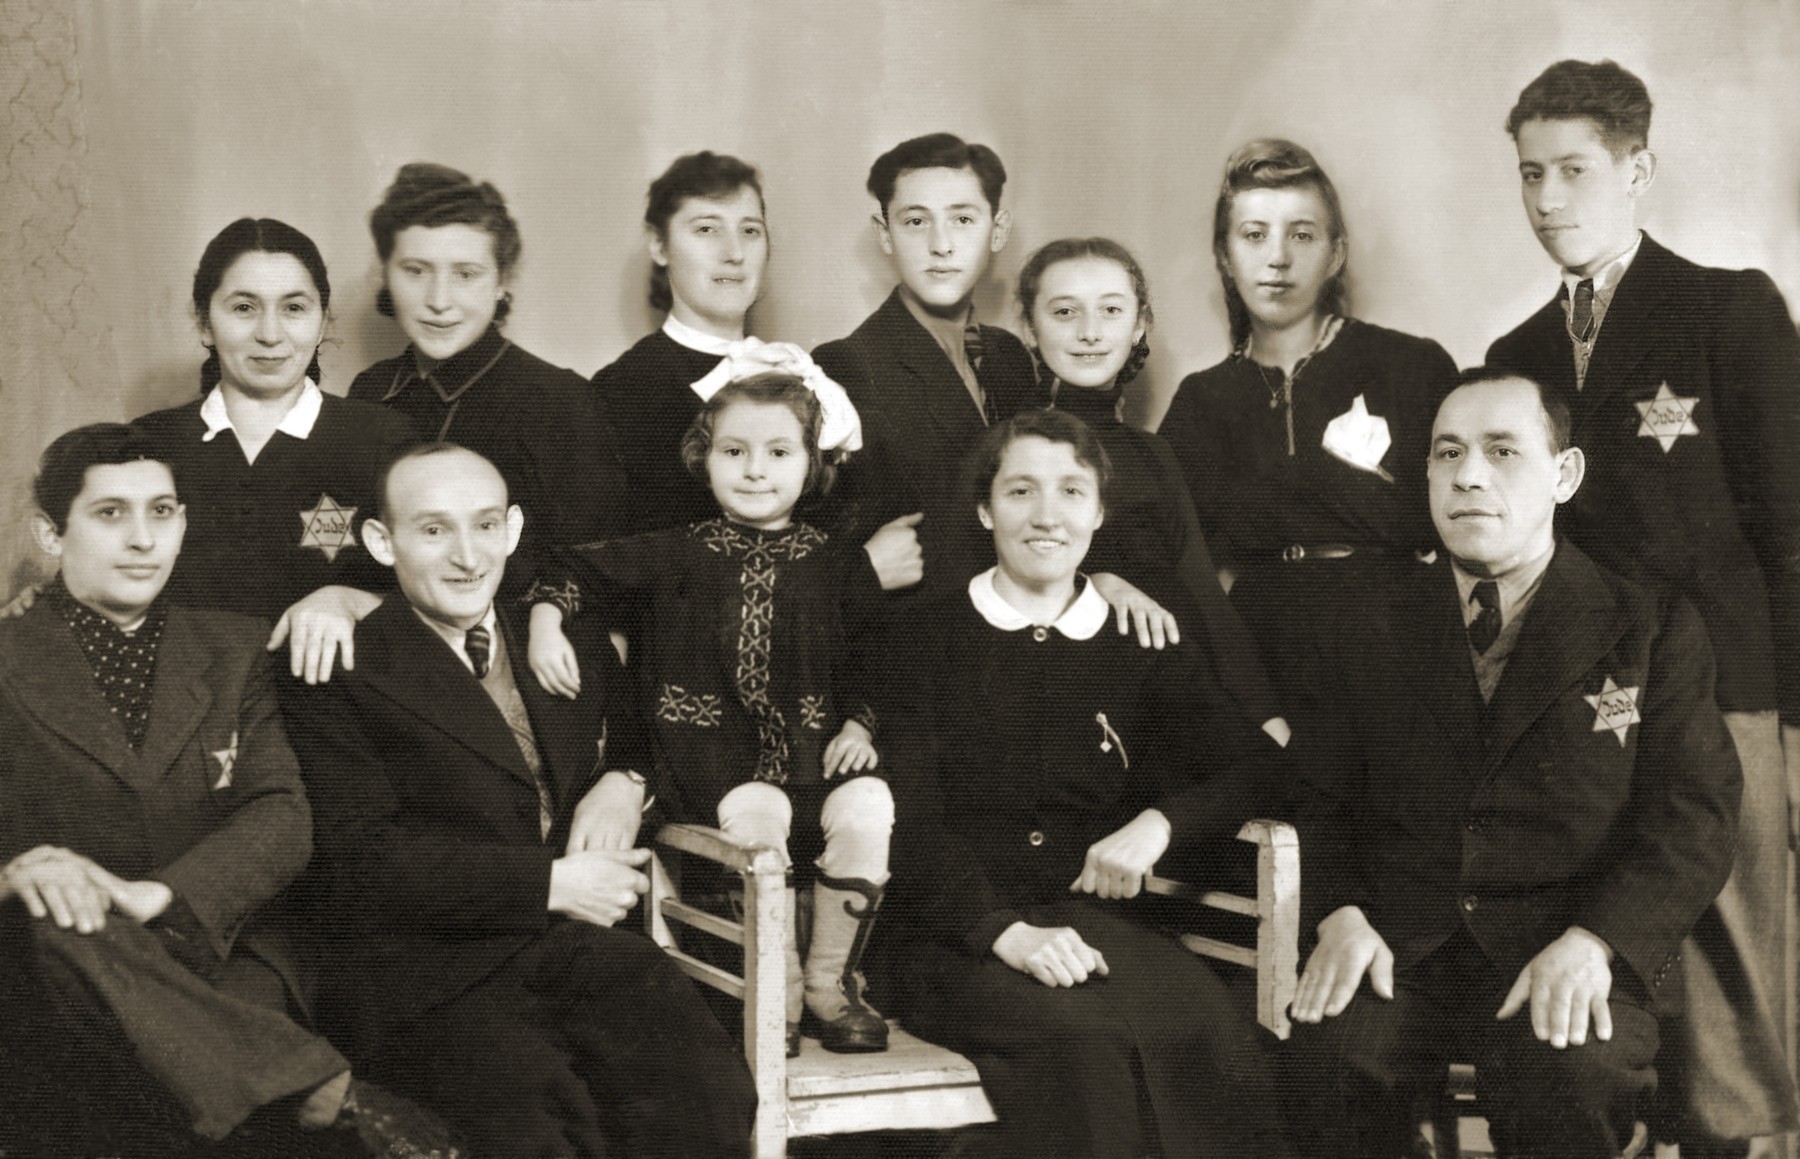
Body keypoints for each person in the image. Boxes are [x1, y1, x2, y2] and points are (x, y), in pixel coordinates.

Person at [1281, 370, 1743, 1157]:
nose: (1469, 475)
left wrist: (1597, 940)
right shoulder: (1363, 619)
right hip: (1404, 947)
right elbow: (1316, 796)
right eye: (1448, 452)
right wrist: (1340, 912)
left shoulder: (1651, 625)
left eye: (1503, 451)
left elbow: (1694, 815)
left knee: (1568, 1079)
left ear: (1564, 474)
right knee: (1326, 1064)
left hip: (1566, 943)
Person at [1485, 59, 1800, 1154]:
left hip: (1728, 697)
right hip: (1590, 707)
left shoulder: (1726, 308)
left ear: (1638, 170)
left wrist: (1797, 730)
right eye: (1530, 174)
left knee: (1730, 981)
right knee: (1609, 962)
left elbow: (1792, 531)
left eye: (1574, 170)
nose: (1548, 199)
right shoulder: (1517, 358)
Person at [282, 441, 755, 1158]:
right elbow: (359, 861)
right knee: (542, 1129)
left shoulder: (559, 635)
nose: (468, 556)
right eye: (434, 529)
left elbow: (642, 734)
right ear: (382, 540)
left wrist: (625, 785)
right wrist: (553, 881)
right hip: (430, 976)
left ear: (513, 528)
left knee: (710, 1090)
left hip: (572, 951)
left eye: (484, 525)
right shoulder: (337, 659)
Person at [0, 424, 454, 1157]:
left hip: (219, 943)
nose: (144, 539)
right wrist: (13, 874)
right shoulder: (8, 654)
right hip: (62, 961)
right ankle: (333, 1097)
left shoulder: (237, 646)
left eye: (163, 511)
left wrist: (158, 896)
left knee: (185, 1074)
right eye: (111, 514)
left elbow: (280, 814)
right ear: (50, 534)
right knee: (62, 922)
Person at [879, 409, 1291, 1159]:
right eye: (1020, 491)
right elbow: (910, 824)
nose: (1046, 516)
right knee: (1087, 1042)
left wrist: (1161, 823)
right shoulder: (921, 637)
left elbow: (1260, 763)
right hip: (952, 936)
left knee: (1212, 1030)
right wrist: (1006, 933)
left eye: (1071, 492)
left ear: (1099, 513)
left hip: (1095, 925)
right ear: (984, 508)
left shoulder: (1139, 638)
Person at [529, 354, 895, 1056]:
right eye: (735, 450)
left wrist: (860, 721)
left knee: (869, 803)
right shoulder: (676, 551)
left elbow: (881, 656)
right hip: (708, 767)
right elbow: (571, 567)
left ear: (811, 461)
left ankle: (829, 980)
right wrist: (548, 619)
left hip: (816, 756)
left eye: (778, 451)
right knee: (763, 814)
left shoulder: (838, 559)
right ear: (705, 459)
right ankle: (776, 983)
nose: (755, 469)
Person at [814, 131, 1178, 646]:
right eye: (916, 221)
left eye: (963, 219)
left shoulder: (1010, 357)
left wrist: (1093, 580)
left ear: (997, 229)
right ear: (886, 232)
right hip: (916, 650)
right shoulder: (845, 365)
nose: (941, 245)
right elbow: (794, 541)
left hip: (1024, 637)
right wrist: (861, 570)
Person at [1157, 139, 1458, 684]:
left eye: (1302, 234)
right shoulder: (1201, 402)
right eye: (1254, 236)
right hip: (1261, 653)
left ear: (1335, 254)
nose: (1278, 258)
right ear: (1225, 256)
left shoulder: (1411, 366)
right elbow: (1168, 556)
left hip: (1400, 643)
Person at [1018, 235, 1287, 741]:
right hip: (1076, 697)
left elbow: (1204, 594)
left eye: (1112, 311)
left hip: (1182, 682)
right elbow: (981, 594)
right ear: (1029, 329)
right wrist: (1093, 582)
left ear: (1139, 325)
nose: (1090, 333)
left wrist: (1266, 716)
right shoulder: (1009, 451)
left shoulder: (1153, 453)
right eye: (1064, 312)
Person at [132, 217, 415, 685]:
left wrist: (351, 599)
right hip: (184, 711)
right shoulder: (147, 445)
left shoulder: (384, 441)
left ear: (323, 322)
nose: (270, 333)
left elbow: (443, 590)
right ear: (205, 322)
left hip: (336, 717)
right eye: (244, 307)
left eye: (294, 308)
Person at [347, 162, 627, 596]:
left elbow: (595, 574)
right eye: (416, 271)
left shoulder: (559, 402)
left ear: (502, 282)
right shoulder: (370, 391)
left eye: (466, 274)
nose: (439, 301)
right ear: (386, 274)